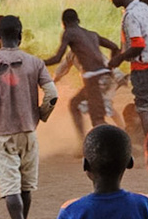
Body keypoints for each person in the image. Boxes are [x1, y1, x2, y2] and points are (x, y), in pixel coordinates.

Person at [0, 16, 59, 219]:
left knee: (10, 187)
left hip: (2, 134)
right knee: (26, 186)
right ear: (21, 35)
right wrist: (40, 114)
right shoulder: (35, 63)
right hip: (28, 131)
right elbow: (52, 94)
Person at [46, 8, 119, 139]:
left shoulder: (69, 32)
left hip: (93, 78)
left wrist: (37, 62)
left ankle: (119, 142)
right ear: (78, 20)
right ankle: (83, 142)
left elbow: (57, 58)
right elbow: (114, 47)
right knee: (75, 104)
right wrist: (110, 66)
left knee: (97, 119)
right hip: (104, 76)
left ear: (64, 23)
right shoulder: (92, 34)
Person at [106, 0, 148, 135]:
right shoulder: (143, 7)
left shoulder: (130, 15)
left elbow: (138, 45)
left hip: (143, 65)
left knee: (143, 107)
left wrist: (119, 59)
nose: (111, 0)